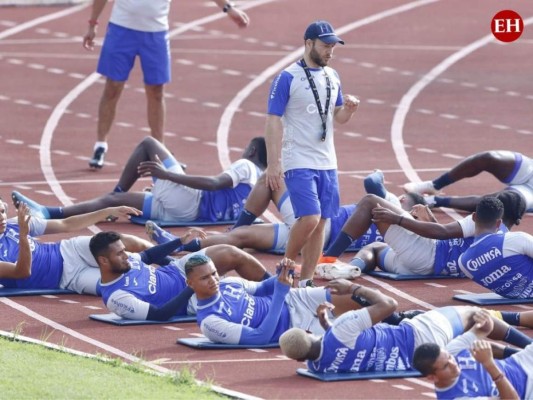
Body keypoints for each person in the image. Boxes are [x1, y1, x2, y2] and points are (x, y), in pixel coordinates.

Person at [145, 171, 425, 280]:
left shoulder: (391, 205)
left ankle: (182, 242)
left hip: (316, 227)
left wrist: (381, 177)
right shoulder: (402, 233)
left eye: (404, 197)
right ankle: (190, 245)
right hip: (317, 237)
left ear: (409, 203)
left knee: (270, 178)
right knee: (242, 238)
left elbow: (372, 183)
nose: (398, 196)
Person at [82, 0, 250, 169]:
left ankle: (159, 151)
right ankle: (100, 146)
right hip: (121, 29)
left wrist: (228, 8)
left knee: (156, 91)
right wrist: (93, 23)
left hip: (156, 33)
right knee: (113, 87)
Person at [264, 20, 360, 288]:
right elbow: (272, 120)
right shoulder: (287, 77)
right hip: (299, 159)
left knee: (322, 224)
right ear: (308, 44)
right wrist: (274, 163)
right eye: (326, 46)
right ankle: (285, 267)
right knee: (310, 217)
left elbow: (337, 117)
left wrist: (349, 110)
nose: (330, 51)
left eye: (333, 47)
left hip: (327, 161)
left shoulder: (333, 76)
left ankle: (306, 282)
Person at [279, 280, 533, 375]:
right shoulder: (341, 329)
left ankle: (519, 355)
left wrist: (327, 322)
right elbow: (389, 304)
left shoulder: (318, 365)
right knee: (475, 315)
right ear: (310, 332)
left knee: (472, 342)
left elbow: (336, 345)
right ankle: (528, 347)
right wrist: (354, 288)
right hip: (421, 334)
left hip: (420, 360)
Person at [12, 136, 267, 224]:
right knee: (115, 200)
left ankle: (49, 212)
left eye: (245, 149)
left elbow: (213, 184)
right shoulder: (262, 185)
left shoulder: (246, 166)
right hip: (189, 215)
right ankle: (49, 212)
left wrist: (167, 175)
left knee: (149, 144)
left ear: (252, 152)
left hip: (190, 202)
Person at [184, 256, 424, 345]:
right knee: (356, 328)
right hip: (294, 326)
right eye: (205, 278)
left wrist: (281, 273)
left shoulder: (228, 283)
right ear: (190, 284)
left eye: (214, 273)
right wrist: (278, 292)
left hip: (295, 299)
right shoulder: (210, 322)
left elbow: (261, 287)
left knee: (354, 297)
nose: (214, 280)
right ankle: (405, 329)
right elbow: (262, 337)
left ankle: (398, 319)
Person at [318, 190, 526, 279]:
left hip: (426, 255)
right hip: (431, 267)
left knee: (371, 201)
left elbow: (443, 234)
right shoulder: (507, 242)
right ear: (517, 219)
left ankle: (328, 258)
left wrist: (397, 218)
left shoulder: (483, 220)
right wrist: (429, 221)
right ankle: (354, 268)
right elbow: (455, 245)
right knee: (375, 248)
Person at [89, 231, 271, 320]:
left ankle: (279, 283)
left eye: (124, 250)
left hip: (178, 270)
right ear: (104, 261)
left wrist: (179, 242)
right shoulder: (116, 297)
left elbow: (149, 255)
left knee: (230, 253)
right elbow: (160, 314)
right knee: (235, 291)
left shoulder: (127, 260)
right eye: (119, 253)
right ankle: (283, 297)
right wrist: (190, 288)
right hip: (188, 298)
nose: (125, 255)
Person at [0, 197, 149, 295]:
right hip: (68, 279)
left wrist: (107, 211)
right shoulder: (21, 230)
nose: (2, 217)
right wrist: (24, 236)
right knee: (120, 285)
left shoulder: (15, 224)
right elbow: (23, 272)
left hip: (72, 250)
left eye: (2, 211)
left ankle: (169, 254)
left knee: (120, 242)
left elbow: (66, 224)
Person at [413, 313, 533, 399]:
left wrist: (484, 320)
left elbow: (481, 331)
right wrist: (489, 364)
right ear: (432, 377)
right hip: (527, 391)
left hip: (521, 361)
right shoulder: (458, 397)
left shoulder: (451, 351)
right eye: (445, 366)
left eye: (449, 358)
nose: (453, 364)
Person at [403, 150, 533, 212]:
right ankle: (434, 185)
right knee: (488, 158)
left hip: (530, 193)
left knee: (494, 202)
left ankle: (434, 201)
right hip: (530, 170)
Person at [457, 196, 533, 299]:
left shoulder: (463, 263)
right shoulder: (515, 240)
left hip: (520, 297)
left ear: (474, 217)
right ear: (499, 223)